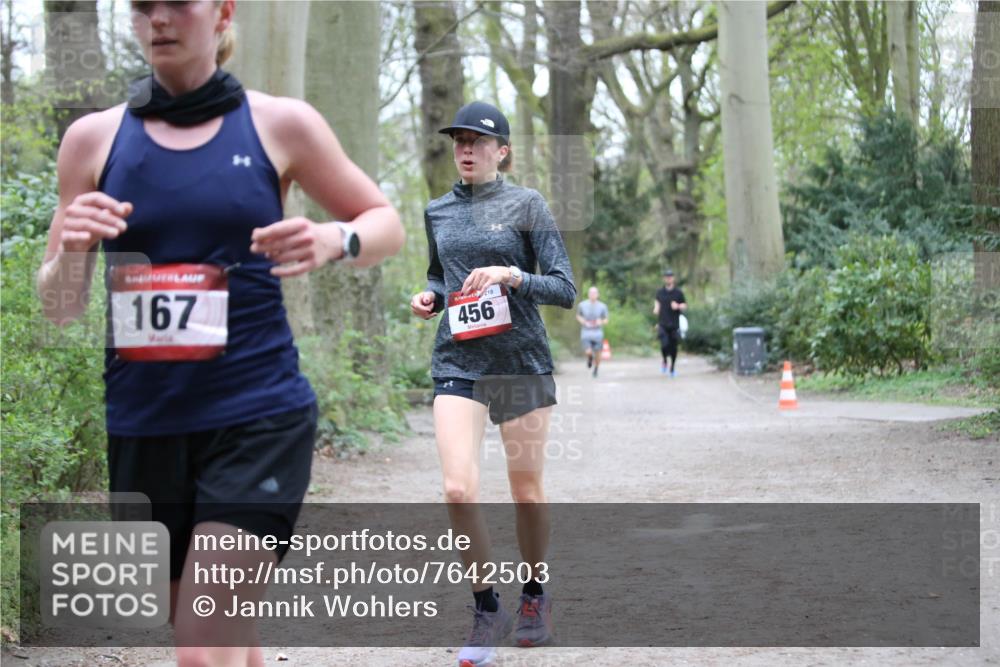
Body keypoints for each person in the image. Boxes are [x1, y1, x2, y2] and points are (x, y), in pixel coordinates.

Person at [36, 1, 404, 665]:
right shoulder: (92, 140)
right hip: (145, 422)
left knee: (201, 644)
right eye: (142, 6)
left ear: (224, 11)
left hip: (257, 415)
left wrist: (335, 237)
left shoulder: (280, 124)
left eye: (177, 2)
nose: (159, 19)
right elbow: (60, 307)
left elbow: (385, 222)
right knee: (217, 631)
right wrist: (71, 251)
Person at [409, 101, 575, 666]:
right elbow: (440, 275)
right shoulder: (437, 211)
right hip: (458, 362)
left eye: (477, 141)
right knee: (458, 489)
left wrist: (512, 275)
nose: (466, 149)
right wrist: (430, 297)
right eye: (459, 141)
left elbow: (564, 286)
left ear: (501, 151)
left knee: (526, 491)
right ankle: (486, 607)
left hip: (520, 362)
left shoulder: (527, 204)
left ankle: (535, 596)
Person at [654, 269, 687, 377]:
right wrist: (656, 310)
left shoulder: (678, 292)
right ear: (664, 279)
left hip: (674, 324)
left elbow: (684, 306)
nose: (668, 279)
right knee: (664, 345)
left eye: (670, 277)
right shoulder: (660, 292)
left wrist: (678, 306)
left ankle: (672, 368)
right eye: (666, 277)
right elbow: (657, 304)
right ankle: (664, 360)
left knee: (673, 347)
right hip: (662, 324)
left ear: (673, 278)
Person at [576, 286, 609, 378]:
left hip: (597, 333)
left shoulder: (603, 306)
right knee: (588, 351)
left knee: (598, 352)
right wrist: (583, 321)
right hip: (586, 332)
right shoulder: (582, 305)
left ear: (598, 295)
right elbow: (578, 316)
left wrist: (601, 321)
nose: (592, 295)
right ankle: (590, 358)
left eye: (594, 293)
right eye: (591, 293)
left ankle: (596, 369)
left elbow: (606, 319)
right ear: (588, 294)